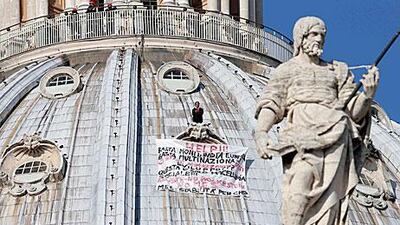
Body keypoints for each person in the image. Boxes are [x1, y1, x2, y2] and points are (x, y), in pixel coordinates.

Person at [254, 16, 379, 225]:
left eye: (322, 35)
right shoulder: (287, 70)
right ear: (301, 37)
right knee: (300, 186)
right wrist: (261, 133)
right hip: (301, 133)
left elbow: (353, 112)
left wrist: (367, 95)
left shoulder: (337, 70)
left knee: (330, 196)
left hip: (335, 133)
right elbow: (272, 104)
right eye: (314, 34)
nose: (319, 39)